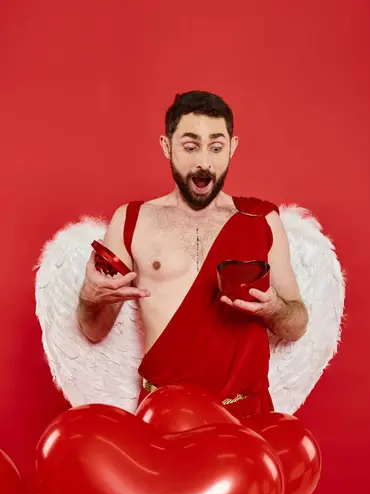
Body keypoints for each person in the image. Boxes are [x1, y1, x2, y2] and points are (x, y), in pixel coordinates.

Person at [76, 90, 308, 418]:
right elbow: (94, 330)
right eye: (190, 147)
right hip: (164, 416)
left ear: (233, 147)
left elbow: (296, 325)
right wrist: (90, 297)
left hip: (245, 417)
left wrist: (273, 308)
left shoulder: (262, 220)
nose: (204, 162)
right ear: (166, 146)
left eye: (216, 147)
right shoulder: (131, 220)